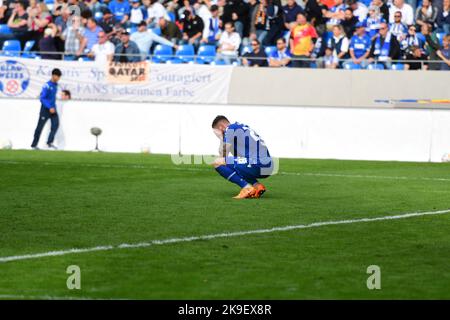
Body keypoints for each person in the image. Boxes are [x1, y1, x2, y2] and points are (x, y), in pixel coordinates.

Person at [211, 115, 273, 199]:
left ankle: (247, 188)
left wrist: (221, 138)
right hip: (268, 166)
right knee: (236, 165)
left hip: (257, 163)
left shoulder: (230, 128)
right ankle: (257, 186)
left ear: (221, 127)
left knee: (217, 162)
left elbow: (223, 155)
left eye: (216, 133)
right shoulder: (240, 128)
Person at [31, 68, 62, 150]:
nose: (58, 78)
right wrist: (49, 107)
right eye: (58, 76)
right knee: (40, 127)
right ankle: (34, 145)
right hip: (45, 110)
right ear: (53, 75)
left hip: (53, 109)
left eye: (59, 77)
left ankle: (49, 143)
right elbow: (42, 98)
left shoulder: (55, 85)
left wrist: (53, 107)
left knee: (55, 124)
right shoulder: (47, 85)